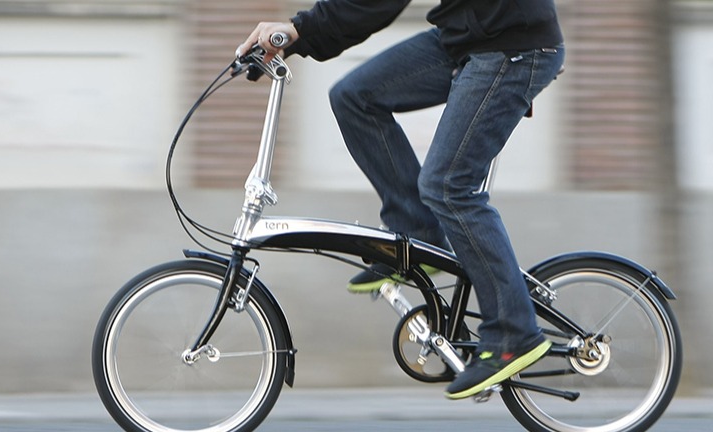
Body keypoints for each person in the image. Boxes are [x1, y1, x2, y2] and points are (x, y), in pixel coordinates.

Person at [238, 0, 564, 400]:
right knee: (355, 96)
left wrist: (300, 29)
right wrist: (298, 35)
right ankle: (418, 232)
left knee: (448, 185)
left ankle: (515, 332)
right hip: (466, 39)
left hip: (512, 46)